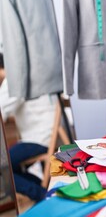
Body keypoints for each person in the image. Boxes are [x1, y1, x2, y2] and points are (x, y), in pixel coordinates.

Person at [0, 53, 57, 202]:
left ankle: (42, 196)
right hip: (48, 136)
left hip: (38, 139)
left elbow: (1, 109)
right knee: (11, 167)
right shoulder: (28, 75)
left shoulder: (13, 80)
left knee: (2, 166)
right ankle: (43, 191)